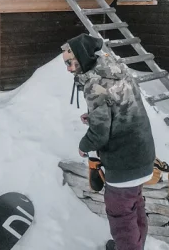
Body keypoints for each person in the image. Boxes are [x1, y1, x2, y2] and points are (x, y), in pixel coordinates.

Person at [61, 34, 156, 250]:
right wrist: (94, 116)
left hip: (124, 164)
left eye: (70, 62)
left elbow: (100, 135)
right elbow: (122, 108)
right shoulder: (117, 72)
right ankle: (134, 246)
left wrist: (83, 146)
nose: (68, 68)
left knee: (121, 216)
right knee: (135, 206)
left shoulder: (94, 85)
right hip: (143, 156)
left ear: (83, 57)